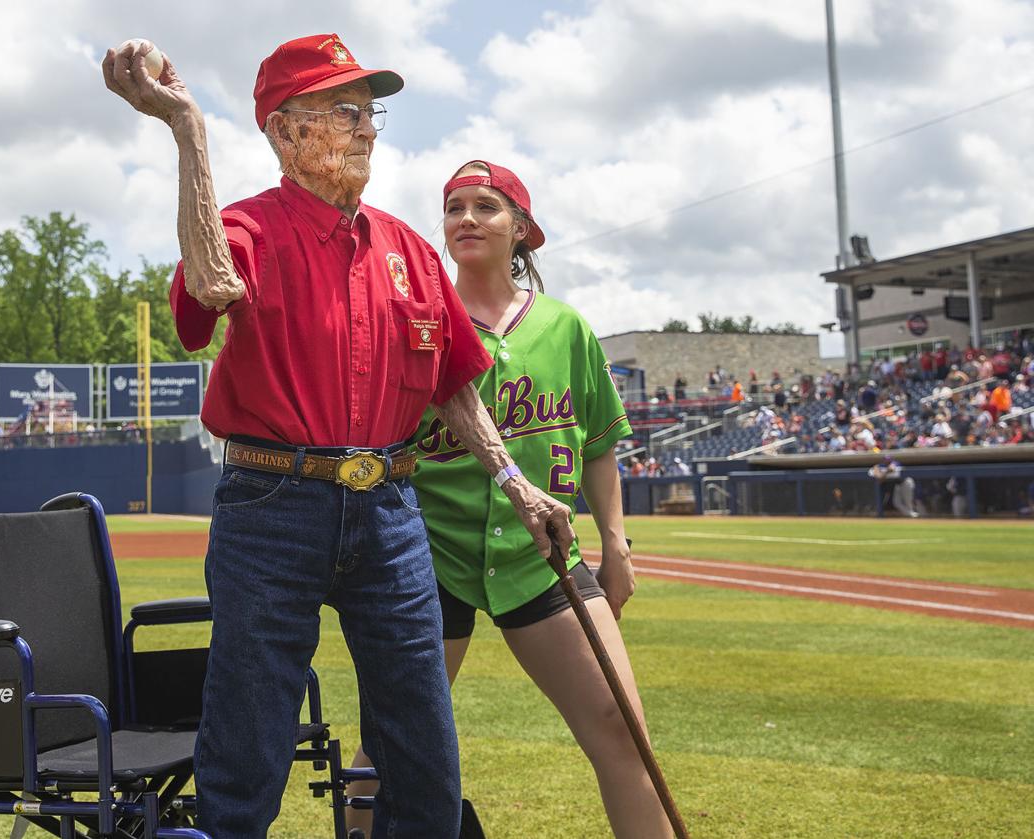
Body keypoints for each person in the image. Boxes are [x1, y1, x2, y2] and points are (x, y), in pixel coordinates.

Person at [102, 36, 575, 838]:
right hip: (272, 502)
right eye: (345, 112)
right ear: (286, 133)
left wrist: (515, 481)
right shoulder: (246, 226)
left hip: (390, 506)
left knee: (421, 739)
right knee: (249, 736)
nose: (366, 131)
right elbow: (212, 285)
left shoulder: (408, 249)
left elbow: (455, 379)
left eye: (370, 113)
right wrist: (188, 131)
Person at [346, 160, 672, 838]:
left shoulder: (565, 327)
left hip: (542, 556)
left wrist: (617, 545)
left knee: (622, 726)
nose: (466, 218)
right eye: (455, 206)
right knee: (385, 750)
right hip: (427, 558)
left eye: (486, 207)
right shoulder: (418, 323)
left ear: (521, 230)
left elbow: (601, 443)